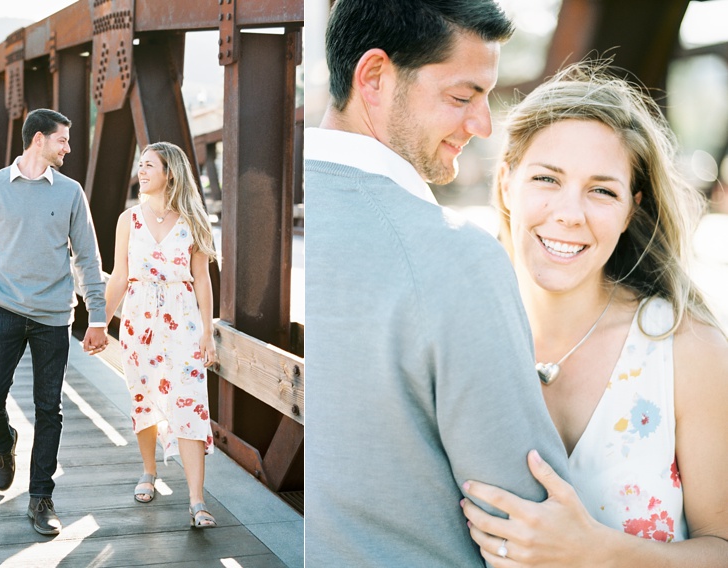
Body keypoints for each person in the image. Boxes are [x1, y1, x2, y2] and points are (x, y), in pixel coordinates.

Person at [305, 1, 571, 565]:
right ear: (374, 78)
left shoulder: (259, 216)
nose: (483, 125)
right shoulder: (459, 257)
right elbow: (532, 525)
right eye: (462, 96)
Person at [461, 62, 728, 566]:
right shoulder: (456, 334)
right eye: (546, 179)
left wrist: (595, 552)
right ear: (505, 185)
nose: (569, 213)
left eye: (602, 190)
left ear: (631, 208)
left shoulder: (687, 349)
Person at [0, 108, 109, 536]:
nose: (69, 148)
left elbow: (88, 258)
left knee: (49, 408)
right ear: (38, 139)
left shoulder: (71, 192)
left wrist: (97, 315)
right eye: (63, 140)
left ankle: (41, 496)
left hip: (54, 317)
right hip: (2, 309)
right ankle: (5, 445)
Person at [102, 142, 217, 527]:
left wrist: (208, 332)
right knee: (144, 398)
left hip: (183, 320)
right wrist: (99, 323)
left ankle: (197, 501)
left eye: (149, 165)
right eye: (141, 164)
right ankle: (149, 471)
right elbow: (119, 276)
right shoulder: (128, 220)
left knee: (189, 403)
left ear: (170, 172)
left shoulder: (194, 220)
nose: (141, 171)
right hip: (139, 320)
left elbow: (202, 280)